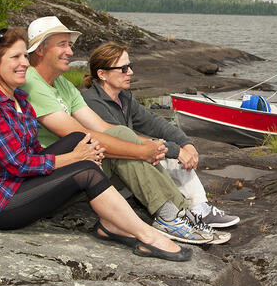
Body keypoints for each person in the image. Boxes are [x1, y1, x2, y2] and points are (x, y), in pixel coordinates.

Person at [0, 27, 191, 262]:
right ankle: (146, 235)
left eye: (24, 56)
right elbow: (19, 163)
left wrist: (83, 151)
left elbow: (34, 151)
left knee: (81, 138)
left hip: (19, 184)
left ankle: (115, 223)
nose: (24, 63)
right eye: (15, 57)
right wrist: (76, 158)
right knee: (85, 169)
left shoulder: (20, 100)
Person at [19, 16, 228, 245]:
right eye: (62, 44)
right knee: (125, 143)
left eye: (70, 44)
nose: (70, 51)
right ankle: (171, 217)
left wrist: (147, 147)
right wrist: (140, 150)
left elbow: (102, 127)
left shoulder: (63, 84)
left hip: (80, 167)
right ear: (39, 50)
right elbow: (79, 135)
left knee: (123, 135)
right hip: (53, 176)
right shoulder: (31, 82)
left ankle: (178, 213)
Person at [81, 42, 239, 228]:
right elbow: (122, 140)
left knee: (169, 153)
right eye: (123, 68)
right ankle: (184, 213)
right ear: (102, 74)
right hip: (109, 173)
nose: (130, 72)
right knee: (168, 156)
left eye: (130, 66)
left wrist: (185, 143)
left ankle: (198, 208)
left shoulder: (123, 98)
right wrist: (175, 150)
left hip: (126, 168)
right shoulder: (91, 102)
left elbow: (155, 123)